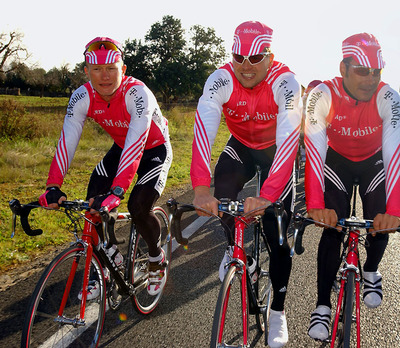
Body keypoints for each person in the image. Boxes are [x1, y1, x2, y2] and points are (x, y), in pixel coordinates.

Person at [190, 21, 301, 347]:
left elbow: (289, 139)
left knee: (277, 234)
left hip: (275, 152)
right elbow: (203, 131)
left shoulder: (286, 82)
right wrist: (199, 187)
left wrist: (267, 196)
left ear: (270, 56)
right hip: (240, 145)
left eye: (256, 57)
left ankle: (278, 312)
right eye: (239, 56)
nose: (246, 65)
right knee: (222, 195)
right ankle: (235, 251)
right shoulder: (220, 79)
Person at [38, 37, 172, 297]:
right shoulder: (82, 96)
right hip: (121, 148)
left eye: (111, 69)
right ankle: (106, 260)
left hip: (153, 149)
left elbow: (136, 143)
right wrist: (53, 185)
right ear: (86, 71)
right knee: (92, 205)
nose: (105, 76)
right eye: (97, 69)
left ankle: (156, 258)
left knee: (137, 206)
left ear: (123, 70)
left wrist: (118, 191)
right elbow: (67, 140)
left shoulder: (138, 93)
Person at [304, 33, 400, 341]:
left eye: (376, 71)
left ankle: (371, 270)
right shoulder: (322, 94)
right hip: (338, 162)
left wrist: (395, 211)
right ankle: (321, 305)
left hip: (373, 162)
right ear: (343, 68)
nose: (371, 79)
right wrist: (315, 204)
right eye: (362, 70)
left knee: (380, 218)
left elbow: (395, 153)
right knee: (333, 225)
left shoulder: (389, 97)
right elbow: (315, 151)